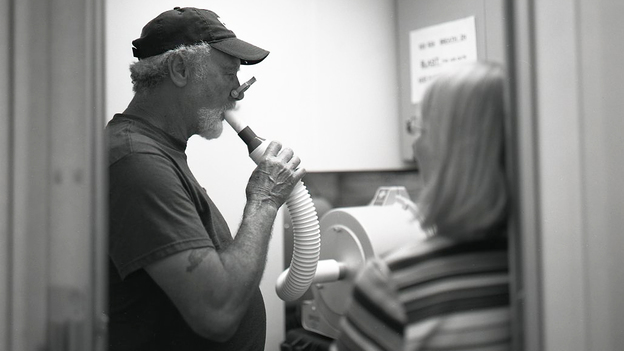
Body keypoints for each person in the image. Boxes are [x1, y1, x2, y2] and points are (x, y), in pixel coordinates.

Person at [106, 7, 305, 351]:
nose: (237, 92)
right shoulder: (136, 160)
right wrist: (265, 199)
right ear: (180, 69)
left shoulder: (156, 150)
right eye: (228, 74)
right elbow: (216, 312)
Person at [333, 62, 511, 350]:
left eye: (421, 130)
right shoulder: (550, 267)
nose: (416, 148)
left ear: (449, 152)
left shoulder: (394, 285)